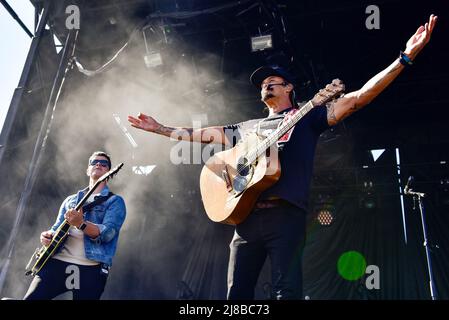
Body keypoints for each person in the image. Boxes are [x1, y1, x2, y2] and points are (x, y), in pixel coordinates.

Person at [128, 15, 437, 299]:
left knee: (285, 292)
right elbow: (203, 134)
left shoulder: (309, 116)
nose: (265, 85)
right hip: (245, 218)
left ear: (289, 87)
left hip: (285, 217)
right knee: (236, 295)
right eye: (262, 85)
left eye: (271, 81)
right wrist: (161, 129)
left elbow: (360, 97)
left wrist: (405, 57)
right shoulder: (247, 128)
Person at [24, 151, 127, 300]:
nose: (99, 164)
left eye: (104, 164)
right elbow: (56, 227)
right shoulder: (70, 200)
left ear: (109, 172)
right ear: (87, 169)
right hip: (57, 263)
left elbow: (107, 234)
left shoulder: (115, 201)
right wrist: (47, 237)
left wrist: (81, 224)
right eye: (94, 162)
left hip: (90, 269)